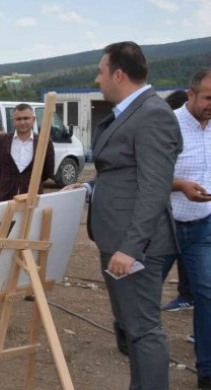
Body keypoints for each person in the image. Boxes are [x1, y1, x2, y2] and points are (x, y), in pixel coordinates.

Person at [67, 42, 182, 389]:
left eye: (100, 71)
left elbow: (154, 188)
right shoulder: (130, 113)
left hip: (135, 246)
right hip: (118, 239)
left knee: (144, 331)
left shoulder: (153, 114)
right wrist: (89, 189)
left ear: (118, 74)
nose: (97, 79)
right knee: (132, 328)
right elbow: (122, 174)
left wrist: (131, 247)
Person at [168, 70, 211, 390]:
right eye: (208, 98)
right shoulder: (167, 125)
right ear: (191, 94)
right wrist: (180, 184)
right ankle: (125, 329)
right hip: (163, 226)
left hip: (202, 227)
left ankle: (206, 371)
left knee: (207, 294)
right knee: (140, 292)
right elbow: (146, 173)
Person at [161, 89, 195, 312]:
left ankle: (188, 296)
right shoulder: (166, 132)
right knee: (150, 275)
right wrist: (180, 185)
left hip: (197, 217)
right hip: (167, 216)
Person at [0, 103, 55, 202]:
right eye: (18, 119)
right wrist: (8, 179)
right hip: (6, 198)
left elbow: (48, 170)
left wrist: (31, 180)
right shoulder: (1, 140)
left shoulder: (44, 142)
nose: (22, 122)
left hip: (32, 199)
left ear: (33, 120)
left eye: (26, 118)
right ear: (13, 121)